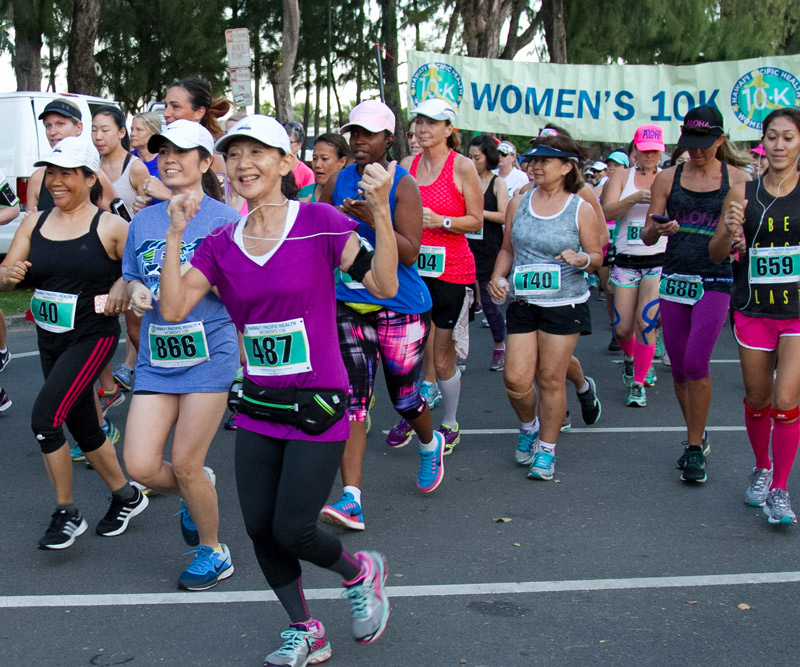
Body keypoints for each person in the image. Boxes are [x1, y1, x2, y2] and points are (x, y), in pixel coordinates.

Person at [158, 115, 394, 664]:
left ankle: (360, 572)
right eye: (233, 154)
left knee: (293, 527)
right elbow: (172, 308)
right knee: (261, 530)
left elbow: (383, 286)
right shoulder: (218, 243)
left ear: (287, 162)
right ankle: (306, 628)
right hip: (261, 404)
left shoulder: (320, 221)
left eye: (257, 152)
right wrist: (174, 234)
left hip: (319, 401)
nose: (243, 164)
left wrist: (380, 212)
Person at [0, 136, 148, 549]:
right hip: (50, 337)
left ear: (89, 177)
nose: (56, 182)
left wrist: (122, 281)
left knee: (45, 419)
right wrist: (7, 277)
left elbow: (139, 270)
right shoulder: (36, 222)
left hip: (91, 336)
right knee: (84, 425)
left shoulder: (111, 226)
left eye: (67, 174)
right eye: (52, 173)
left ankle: (66, 512)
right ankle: (127, 495)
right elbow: (6, 270)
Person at [122, 119, 241, 590]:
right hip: (156, 353)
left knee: (186, 462)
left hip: (210, 350)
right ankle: (197, 487)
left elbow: (241, 294)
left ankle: (213, 551)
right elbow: (132, 274)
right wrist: (133, 291)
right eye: (163, 151)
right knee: (142, 465)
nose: (169, 158)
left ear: (206, 163)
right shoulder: (143, 220)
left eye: (182, 151)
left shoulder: (227, 221)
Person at [317, 99, 437, 533]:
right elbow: (323, 235)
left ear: (389, 138)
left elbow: (410, 251)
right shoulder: (338, 179)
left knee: (405, 399)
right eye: (354, 133)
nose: (359, 142)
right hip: (349, 305)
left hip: (400, 306)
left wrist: (376, 216)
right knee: (353, 404)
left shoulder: (402, 184)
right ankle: (352, 500)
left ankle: (429, 442)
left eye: (369, 134)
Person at [645, 105, 751, 483]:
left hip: (715, 279)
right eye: (691, 143)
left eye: (705, 144)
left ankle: (693, 449)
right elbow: (646, 233)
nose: (697, 151)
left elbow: (746, 235)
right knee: (677, 367)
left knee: (695, 363)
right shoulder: (667, 179)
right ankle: (697, 434)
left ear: (721, 140)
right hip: (674, 276)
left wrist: (738, 238)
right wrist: (660, 230)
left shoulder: (737, 180)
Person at [488, 134, 602, 480]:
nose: (535, 166)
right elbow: (507, 247)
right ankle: (528, 427)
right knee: (515, 380)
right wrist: (497, 277)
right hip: (523, 299)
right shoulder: (518, 202)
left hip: (564, 302)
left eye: (545, 161)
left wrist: (582, 258)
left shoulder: (580, 207)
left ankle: (547, 450)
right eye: (533, 160)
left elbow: (597, 255)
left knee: (551, 378)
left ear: (567, 167)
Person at [710, 108, 800, 522]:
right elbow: (717, 254)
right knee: (759, 399)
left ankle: (780, 488)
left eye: (789, 137)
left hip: (796, 311)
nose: (780, 145)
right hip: (753, 309)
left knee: (786, 400)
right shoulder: (742, 192)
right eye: (773, 137)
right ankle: (762, 467)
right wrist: (730, 230)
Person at [394, 98, 483, 455]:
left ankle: (450, 422)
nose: (423, 129)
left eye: (433, 123)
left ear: (450, 130)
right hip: (412, 269)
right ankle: (415, 412)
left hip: (451, 270)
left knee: (443, 355)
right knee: (408, 350)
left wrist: (441, 221)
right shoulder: (406, 164)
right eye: (419, 122)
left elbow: (476, 220)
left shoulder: (462, 167)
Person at [602, 124, 667, 407]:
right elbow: (606, 211)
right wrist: (633, 199)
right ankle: (632, 357)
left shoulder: (668, 178)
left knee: (646, 321)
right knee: (622, 328)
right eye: (645, 150)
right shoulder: (620, 176)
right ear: (635, 151)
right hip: (627, 261)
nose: (650, 155)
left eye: (655, 150)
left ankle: (639, 382)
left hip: (659, 260)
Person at [27, 98, 115, 212]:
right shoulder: (37, 178)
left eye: (60, 124)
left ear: (79, 127)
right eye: (48, 126)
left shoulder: (94, 174)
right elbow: (28, 222)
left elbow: (118, 220)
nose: (52, 132)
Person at [467, 134, 509, 370]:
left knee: (491, 305)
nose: (473, 162)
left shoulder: (498, 183)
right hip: (466, 249)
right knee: (462, 304)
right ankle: (455, 353)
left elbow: (504, 215)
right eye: (470, 157)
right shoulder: (466, 180)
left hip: (490, 250)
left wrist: (477, 214)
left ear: (489, 158)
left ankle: (499, 346)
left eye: (477, 158)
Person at [299, 133, 349, 203]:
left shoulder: (350, 195)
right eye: (314, 158)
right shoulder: (304, 193)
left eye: (324, 158)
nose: (317, 165)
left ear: (342, 162)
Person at [285, 121, 316, 191]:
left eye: (289, 142)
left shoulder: (307, 173)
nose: (284, 145)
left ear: (299, 145)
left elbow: (308, 198)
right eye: (282, 142)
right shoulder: (274, 167)